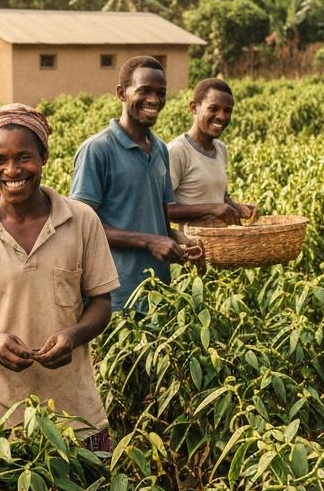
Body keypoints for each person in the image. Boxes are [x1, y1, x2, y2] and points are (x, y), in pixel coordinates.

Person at [0, 105, 119, 445]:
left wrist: (74, 335)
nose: (12, 170)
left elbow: (102, 302)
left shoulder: (81, 220)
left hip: (74, 414)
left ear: (44, 156)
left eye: (24, 157)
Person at [70, 56, 201, 312]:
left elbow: (160, 225)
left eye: (160, 93)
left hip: (158, 293)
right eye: (144, 91)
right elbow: (81, 226)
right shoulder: (97, 150)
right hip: (114, 299)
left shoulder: (161, 149)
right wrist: (149, 242)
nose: (154, 100)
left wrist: (182, 243)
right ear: (122, 93)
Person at [166, 78, 258, 229]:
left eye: (227, 110)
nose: (221, 116)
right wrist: (213, 208)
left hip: (221, 245)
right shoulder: (177, 151)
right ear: (194, 107)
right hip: (193, 247)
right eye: (213, 108)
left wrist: (236, 207)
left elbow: (219, 196)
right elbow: (163, 209)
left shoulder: (220, 149)